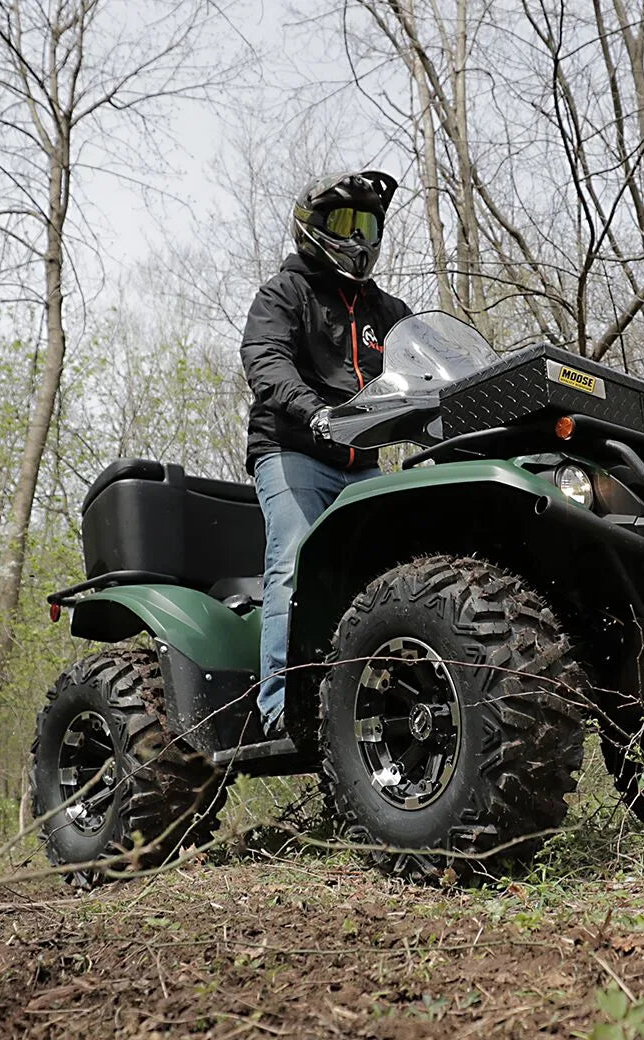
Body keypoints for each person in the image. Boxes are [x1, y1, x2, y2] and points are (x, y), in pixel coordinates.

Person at [239, 170, 412, 736]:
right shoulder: (284, 294)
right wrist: (313, 409)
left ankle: (378, 712)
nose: (358, 237)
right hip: (293, 450)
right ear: (312, 229)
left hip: (362, 461)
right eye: (345, 223)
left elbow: (427, 367)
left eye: (368, 224)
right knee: (294, 557)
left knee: (394, 577)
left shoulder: (387, 311)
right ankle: (277, 709)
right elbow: (265, 360)